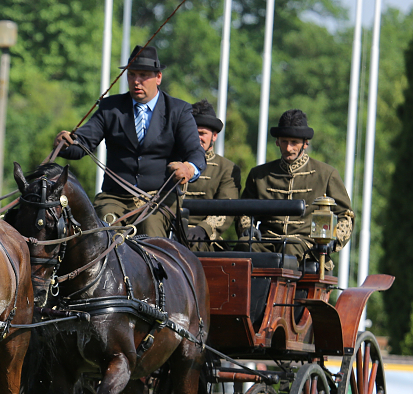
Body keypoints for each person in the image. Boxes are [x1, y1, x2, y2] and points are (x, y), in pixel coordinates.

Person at [54, 45, 206, 238]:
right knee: (105, 229)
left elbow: (195, 153)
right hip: (114, 198)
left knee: (151, 229)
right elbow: (82, 145)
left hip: (157, 199)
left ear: (158, 77)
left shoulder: (179, 110)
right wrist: (65, 144)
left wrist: (189, 169)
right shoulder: (110, 108)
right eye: (132, 74)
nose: (136, 81)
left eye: (143, 75)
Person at [239, 109, 354, 266]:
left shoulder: (326, 174)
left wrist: (333, 241)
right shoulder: (258, 174)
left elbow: (346, 215)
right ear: (277, 141)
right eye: (284, 141)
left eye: (294, 142)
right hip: (265, 242)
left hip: (307, 246)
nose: (288, 148)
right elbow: (244, 210)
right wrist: (248, 228)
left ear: (305, 143)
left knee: (289, 250)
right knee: (243, 246)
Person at [182, 100, 241, 250]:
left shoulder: (226, 168)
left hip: (204, 238)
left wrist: (203, 229)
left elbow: (226, 208)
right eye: (192, 133)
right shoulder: (172, 162)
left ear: (214, 136)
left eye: (202, 134)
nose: (197, 138)